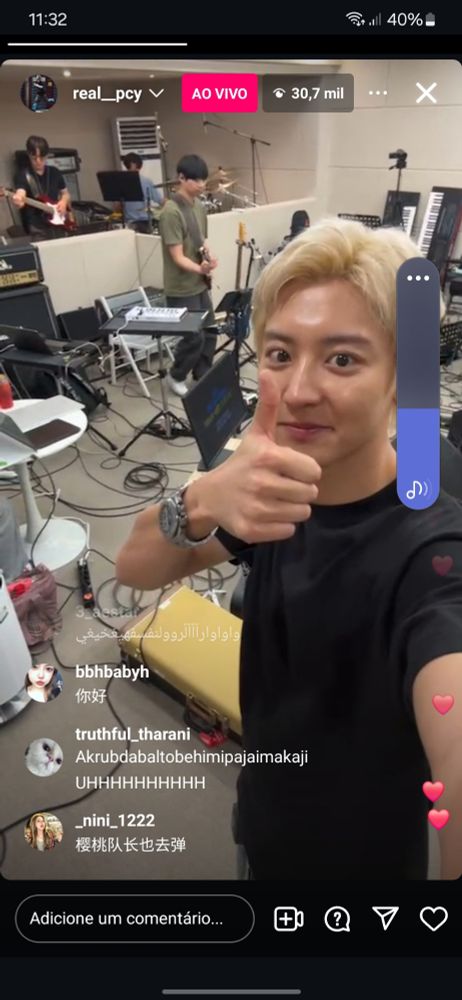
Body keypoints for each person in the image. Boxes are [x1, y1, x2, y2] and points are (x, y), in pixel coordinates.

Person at [115, 217, 462, 881]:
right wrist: (204, 498)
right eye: (279, 354)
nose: (298, 392)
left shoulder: (434, 557)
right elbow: (134, 567)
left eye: (342, 359)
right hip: (260, 822)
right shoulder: (274, 489)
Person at [158, 154, 218, 397]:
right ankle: (176, 375)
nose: (202, 185)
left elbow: (201, 241)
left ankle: (203, 374)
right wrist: (200, 269)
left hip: (199, 283)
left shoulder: (199, 207)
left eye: (204, 180)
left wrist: (209, 258)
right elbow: (177, 257)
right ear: (181, 178)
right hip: (181, 288)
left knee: (210, 330)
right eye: (196, 180)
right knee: (193, 338)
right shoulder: (170, 212)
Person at [11, 135, 71, 236]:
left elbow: (65, 193)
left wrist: (63, 202)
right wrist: (18, 199)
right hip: (36, 227)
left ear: (47, 155)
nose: (38, 161)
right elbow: (20, 192)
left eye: (42, 158)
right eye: (34, 158)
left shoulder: (55, 172)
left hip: (58, 223)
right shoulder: (23, 175)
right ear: (29, 155)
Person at [121, 152, 164, 232]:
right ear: (140, 166)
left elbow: (118, 207)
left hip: (130, 224)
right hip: (145, 222)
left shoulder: (121, 183)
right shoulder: (146, 181)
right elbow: (161, 201)